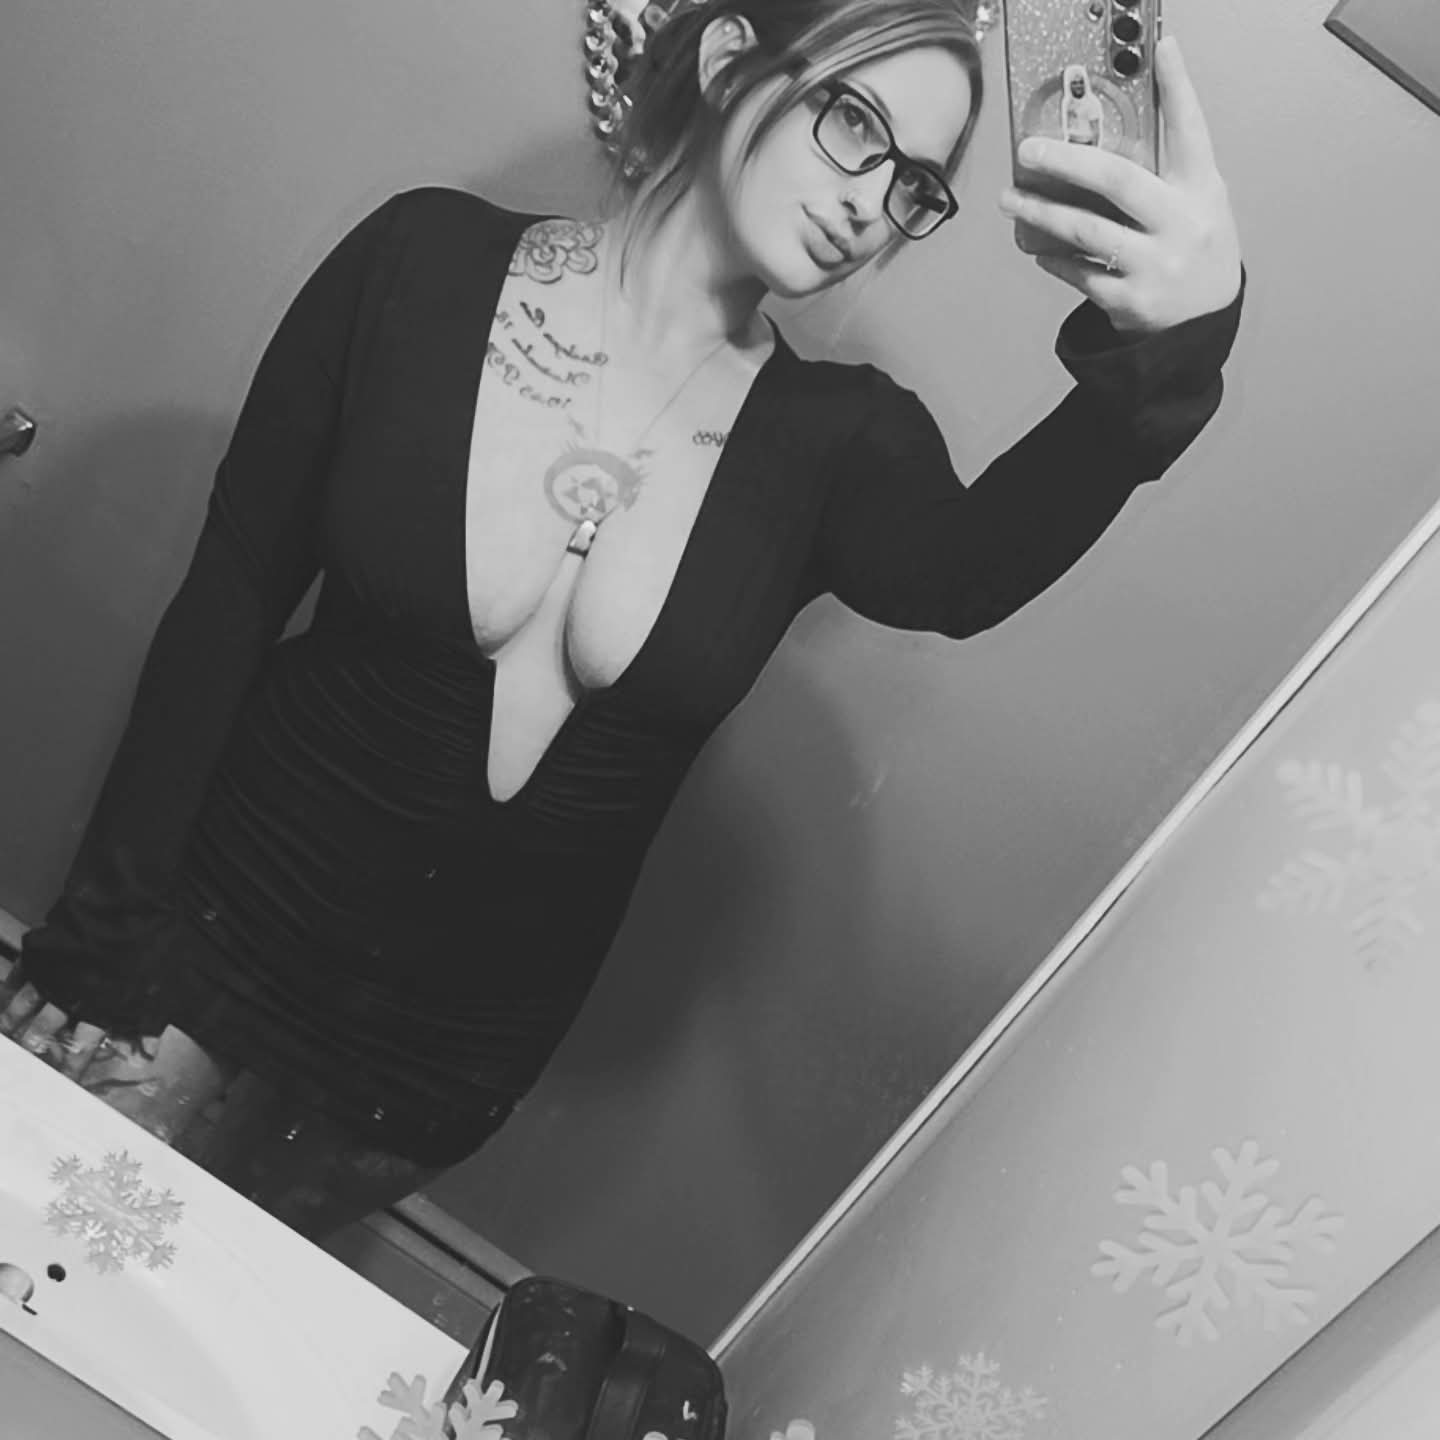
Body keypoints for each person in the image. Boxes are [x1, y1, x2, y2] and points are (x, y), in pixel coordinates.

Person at [0, 0, 1245, 1239]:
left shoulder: (840, 442)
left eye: (915, 184)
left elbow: (969, 576)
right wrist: (99, 934)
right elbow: (230, 595)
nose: (873, 202)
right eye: (858, 126)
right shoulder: (419, 264)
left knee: (231, 1336)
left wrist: (1181, 337)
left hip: (431, 1070)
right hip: (208, 942)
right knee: (50, 1266)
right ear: (729, 61)